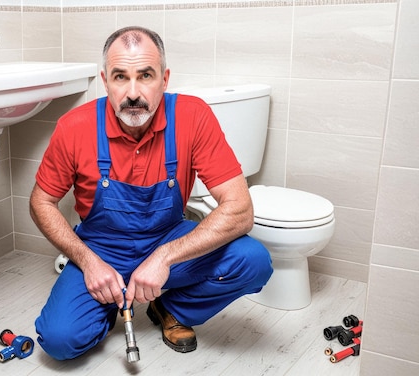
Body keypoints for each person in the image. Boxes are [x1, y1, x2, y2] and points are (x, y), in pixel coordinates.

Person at [30, 26, 273, 361]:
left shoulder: (192, 116)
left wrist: (164, 258)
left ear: (165, 78)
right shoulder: (75, 127)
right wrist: (89, 263)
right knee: (59, 340)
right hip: (101, 249)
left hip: (168, 238)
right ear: (105, 81)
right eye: (120, 77)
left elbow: (240, 210)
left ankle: (171, 308)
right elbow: (41, 202)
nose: (133, 92)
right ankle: (110, 305)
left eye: (145, 75)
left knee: (254, 261)